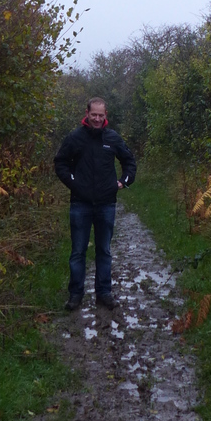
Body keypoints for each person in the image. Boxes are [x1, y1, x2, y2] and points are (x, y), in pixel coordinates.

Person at [53, 97, 136, 311]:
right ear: (87, 113)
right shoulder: (75, 137)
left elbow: (129, 162)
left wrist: (123, 181)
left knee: (104, 250)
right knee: (78, 251)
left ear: (106, 115)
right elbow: (60, 163)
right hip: (80, 204)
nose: (97, 119)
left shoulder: (113, 138)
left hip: (106, 204)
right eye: (94, 115)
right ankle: (75, 295)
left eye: (101, 115)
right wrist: (73, 183)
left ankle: (104, 293)